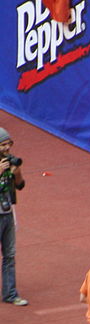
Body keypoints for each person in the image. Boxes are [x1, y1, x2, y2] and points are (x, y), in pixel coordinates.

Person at [0, 127, 26, 307]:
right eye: (3, 145)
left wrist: (17, 174)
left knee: (9, 254)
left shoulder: (10, 162)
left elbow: (21, 185)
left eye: (9, 144)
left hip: (7, 213)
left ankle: (10, 293)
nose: (7, 148)